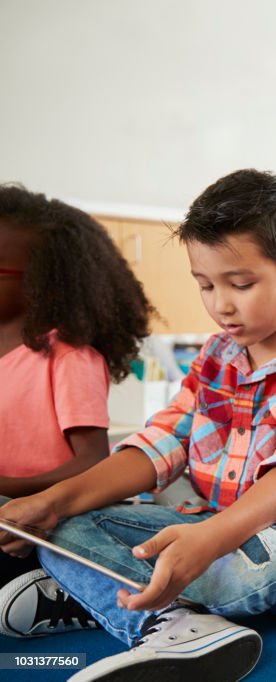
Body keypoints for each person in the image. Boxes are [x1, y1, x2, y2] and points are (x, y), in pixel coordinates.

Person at [0, 169, 276, 681]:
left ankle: (107, 592)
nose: (221, 303)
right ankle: (173, 623)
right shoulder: (217, 355)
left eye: (240, 284)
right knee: (58, 524)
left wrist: (210, 541)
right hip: (207, 522)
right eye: (205, 284)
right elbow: (159, 445)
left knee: (242, 574)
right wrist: (54, 501)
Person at [0, 184, 152, 614]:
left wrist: (8, 490)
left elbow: (92, 461)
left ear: (43, 282)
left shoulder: (68, 356)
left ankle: (72, 593)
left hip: (36, 522)